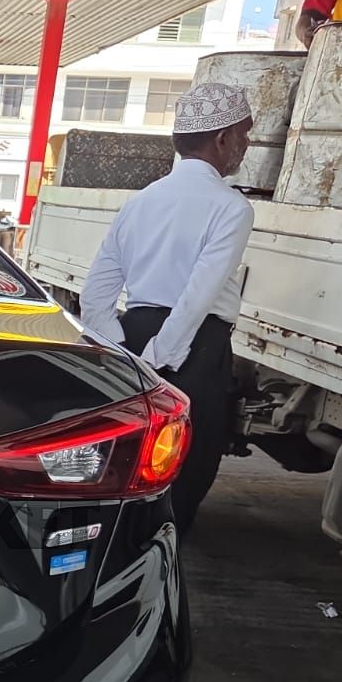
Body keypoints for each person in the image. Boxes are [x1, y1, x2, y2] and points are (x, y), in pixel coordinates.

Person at [79, 82, 256, 537]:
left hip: (134, 337)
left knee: (124, 463)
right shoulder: (231, 207)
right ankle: (160, 557)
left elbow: (96, 291)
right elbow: (199, 294)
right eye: (245, 133)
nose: (247, 144)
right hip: (193, 349)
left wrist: (122, 350)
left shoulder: (141, 201)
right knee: (185, 470)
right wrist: (161, 357)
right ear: (222, 139)